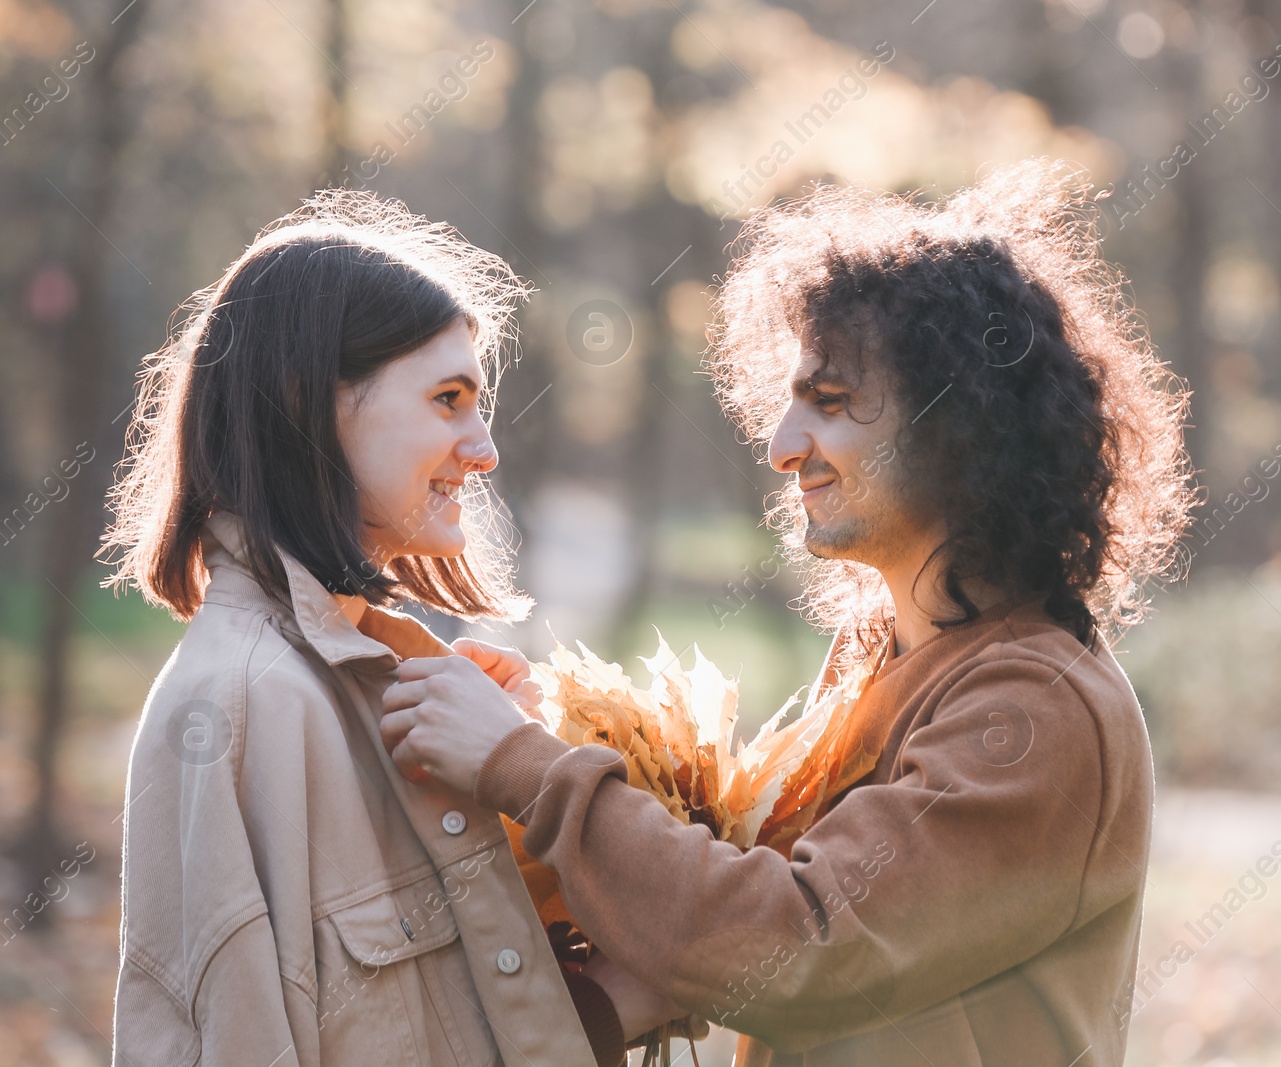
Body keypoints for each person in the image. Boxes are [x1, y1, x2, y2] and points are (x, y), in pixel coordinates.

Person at [381, 159, 1194, 1066]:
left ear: (960, 427)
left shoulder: (1034, 709)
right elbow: (750, 912)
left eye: (832, 403)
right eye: (790, 400)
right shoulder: (882, 653)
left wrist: (525, 767)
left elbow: (801, 946)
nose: (781, 446)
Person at [104, 191, 625, 1066]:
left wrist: (509, 784)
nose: (485, 447)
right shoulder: (239, 705)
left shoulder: (384, 690)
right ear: (310, 402)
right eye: (448, 398)